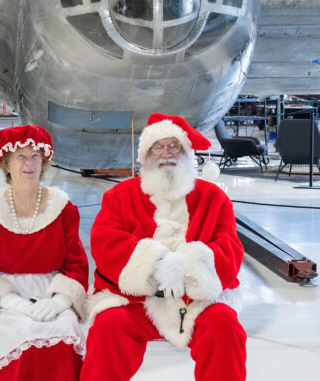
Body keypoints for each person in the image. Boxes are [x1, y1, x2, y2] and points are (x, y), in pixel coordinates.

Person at [82, 113, 246, 381]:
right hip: (136, 301)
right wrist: (155, 265)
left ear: (186, 152)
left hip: (196, 300)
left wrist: (186, 265)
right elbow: (105, 243)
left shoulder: (214, 198)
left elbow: (230, 249)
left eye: (174, 146)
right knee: (108, 326)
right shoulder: (119, 196)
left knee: (225, 326)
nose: (166, 154)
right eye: (158, 147)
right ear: (146, 155)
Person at [0, 125, 88, 380]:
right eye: (21, 157)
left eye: (35, 156)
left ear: (44, 162)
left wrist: (59, 301)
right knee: (20, 331)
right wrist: (15, 304)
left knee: (63, 329)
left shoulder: (64, 209)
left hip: (49, 292)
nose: (29, 164)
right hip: (3, 299)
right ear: (6, 165)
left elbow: (76, 264)